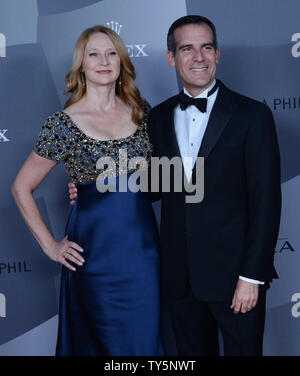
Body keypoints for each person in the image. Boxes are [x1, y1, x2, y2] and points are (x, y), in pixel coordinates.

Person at [68, 15, 282, 356]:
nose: (198, 57)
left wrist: (252, 276)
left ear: (217, 54)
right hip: (179, 280)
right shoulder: (159, 116)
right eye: (187, 48)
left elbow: (267, 202)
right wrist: (95, 189)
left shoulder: (251, 115)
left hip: (235, 278)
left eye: (206, 47)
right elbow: (154, 185)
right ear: (172, 57)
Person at [11, 25, 163, 356]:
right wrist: (51, 246)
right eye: (93, 53)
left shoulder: (143, 112)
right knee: (100, 344)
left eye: (111, 53)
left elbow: (156, 180)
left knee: (146, 345)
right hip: (94, 258)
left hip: (144, 256)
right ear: (82, 64)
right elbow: (21, 187)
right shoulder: (62, 124)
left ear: (122, 61)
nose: (103, 61)